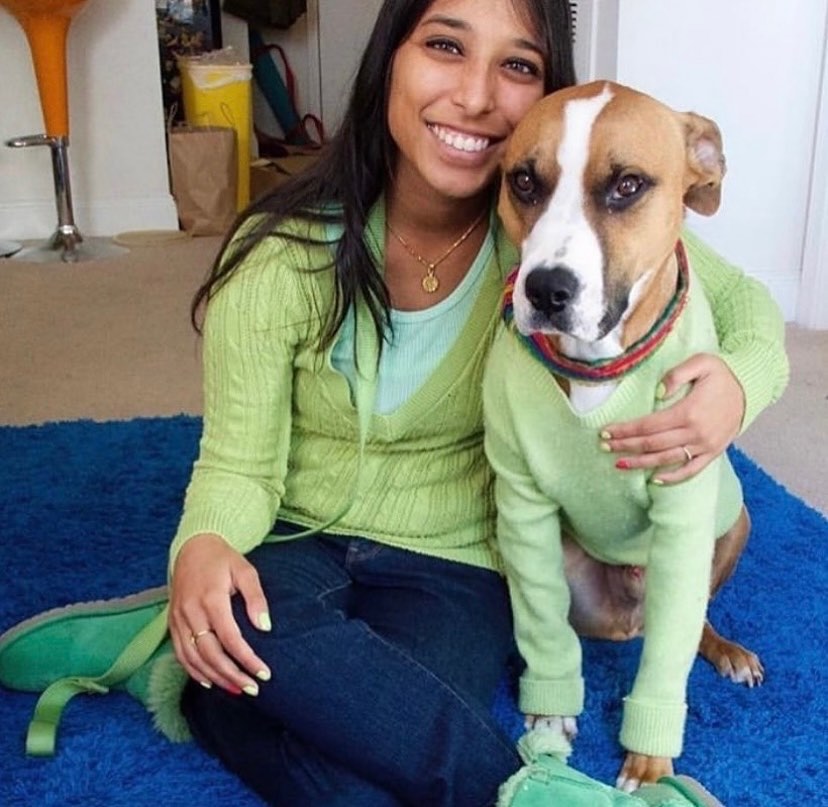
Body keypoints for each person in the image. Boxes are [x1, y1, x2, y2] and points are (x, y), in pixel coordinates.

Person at [0, 0, 787, 805]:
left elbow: (747, 309)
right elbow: (238, 463)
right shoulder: (282, 257)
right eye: (446, 45)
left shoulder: (554, 232)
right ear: (389, 59)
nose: (477, 95)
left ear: (547, 97)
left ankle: (180, 659)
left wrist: (739, 385)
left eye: (516, 65)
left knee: (354, 760)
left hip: (456, 560)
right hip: (297, 536)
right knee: (306, 668)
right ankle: (533, 794)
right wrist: (203, 544)